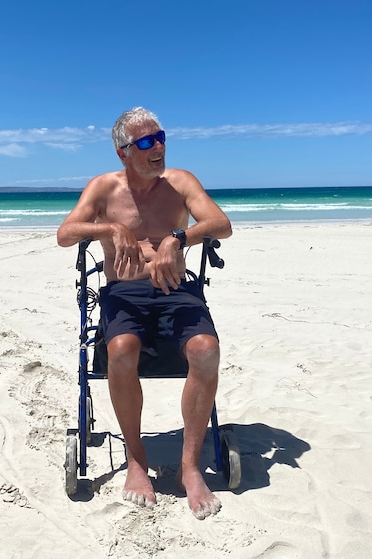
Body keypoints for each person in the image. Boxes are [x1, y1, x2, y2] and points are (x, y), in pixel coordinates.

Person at [57, 107, 232, 520]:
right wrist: (110, 230)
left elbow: (220, 224)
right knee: (119, 350)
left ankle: (189, 469)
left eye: (161, 137)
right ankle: (137, 461)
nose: (159, 147)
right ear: (123, 153)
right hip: (124, 292)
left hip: (176, 289)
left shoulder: (181, 182)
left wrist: (179, 237)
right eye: (146, 142)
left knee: (206, 350)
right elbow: (66, 234)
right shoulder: (103, 187)